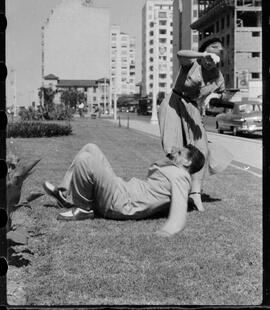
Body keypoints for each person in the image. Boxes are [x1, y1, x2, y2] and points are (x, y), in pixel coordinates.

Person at [43, 143, 205, 237]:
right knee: (90, 148)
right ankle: (66, 194)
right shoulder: (175, 170)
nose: (174, 152)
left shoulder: (181, 176)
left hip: (123, 203)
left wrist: (169, 230)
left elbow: (178, 207)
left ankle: (83, 209)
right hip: (122, 190)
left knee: (86, 160)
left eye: (180, 153)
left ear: (188, 163)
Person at [158, 37, 232, 212]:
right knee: (174, 149)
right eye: (213, 47)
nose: (217, 50)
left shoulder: (218, 76)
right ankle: (174, 189)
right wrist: (202, 55)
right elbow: (180, 54)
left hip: (192, 108)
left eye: (219, 49)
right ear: (205, 50)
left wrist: (215, 98)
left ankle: (195, 194)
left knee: (202, 149)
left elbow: (223, 94)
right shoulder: (192, 63)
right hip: (174, 103)